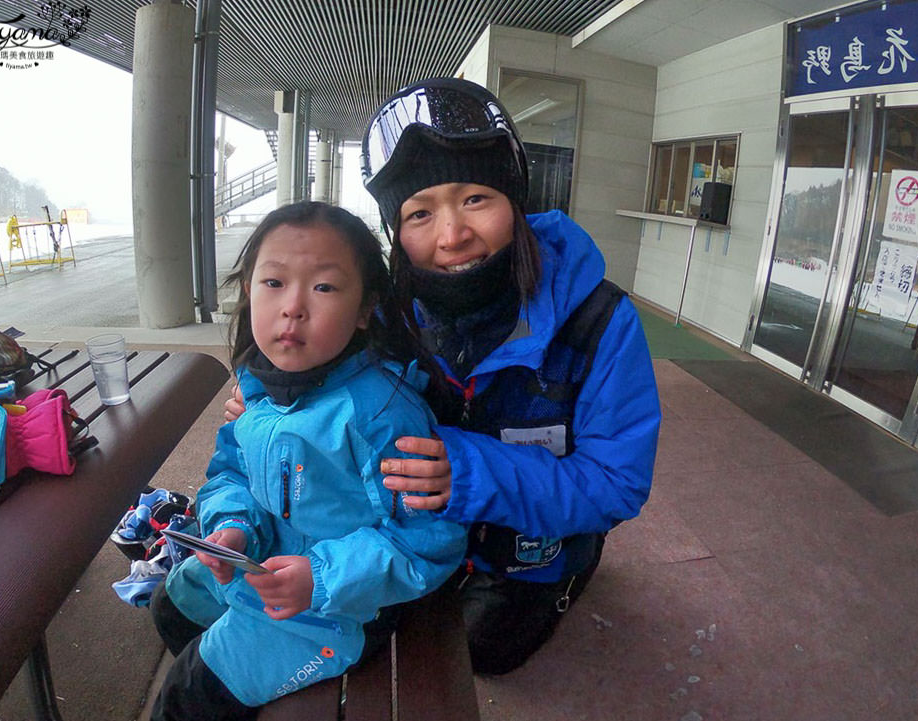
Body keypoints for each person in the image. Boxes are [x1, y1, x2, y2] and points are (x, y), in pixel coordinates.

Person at [227, 78, 661, 675]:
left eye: (476, 199)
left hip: (524, 546)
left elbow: (617, 482)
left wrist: (469, 470)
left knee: (480, 652)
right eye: (420, 213)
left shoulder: (599, 321)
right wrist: (270, 403)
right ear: (395, 231)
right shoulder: (381, 313)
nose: (452, 236)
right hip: (408, 534)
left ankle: (578, 565)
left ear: (515, 200)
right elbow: (313, 376)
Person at [150, 201, 467, 721]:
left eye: (323, 287)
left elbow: (427, 539)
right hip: (261, 567)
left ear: (365, 311)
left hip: (338, 606)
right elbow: (230, 472)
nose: (292, 306)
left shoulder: (381, 415)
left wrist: (319, 577)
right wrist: (232, 528)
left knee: (184, 697)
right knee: (173, 603)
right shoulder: (257, 385)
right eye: (273, 283)